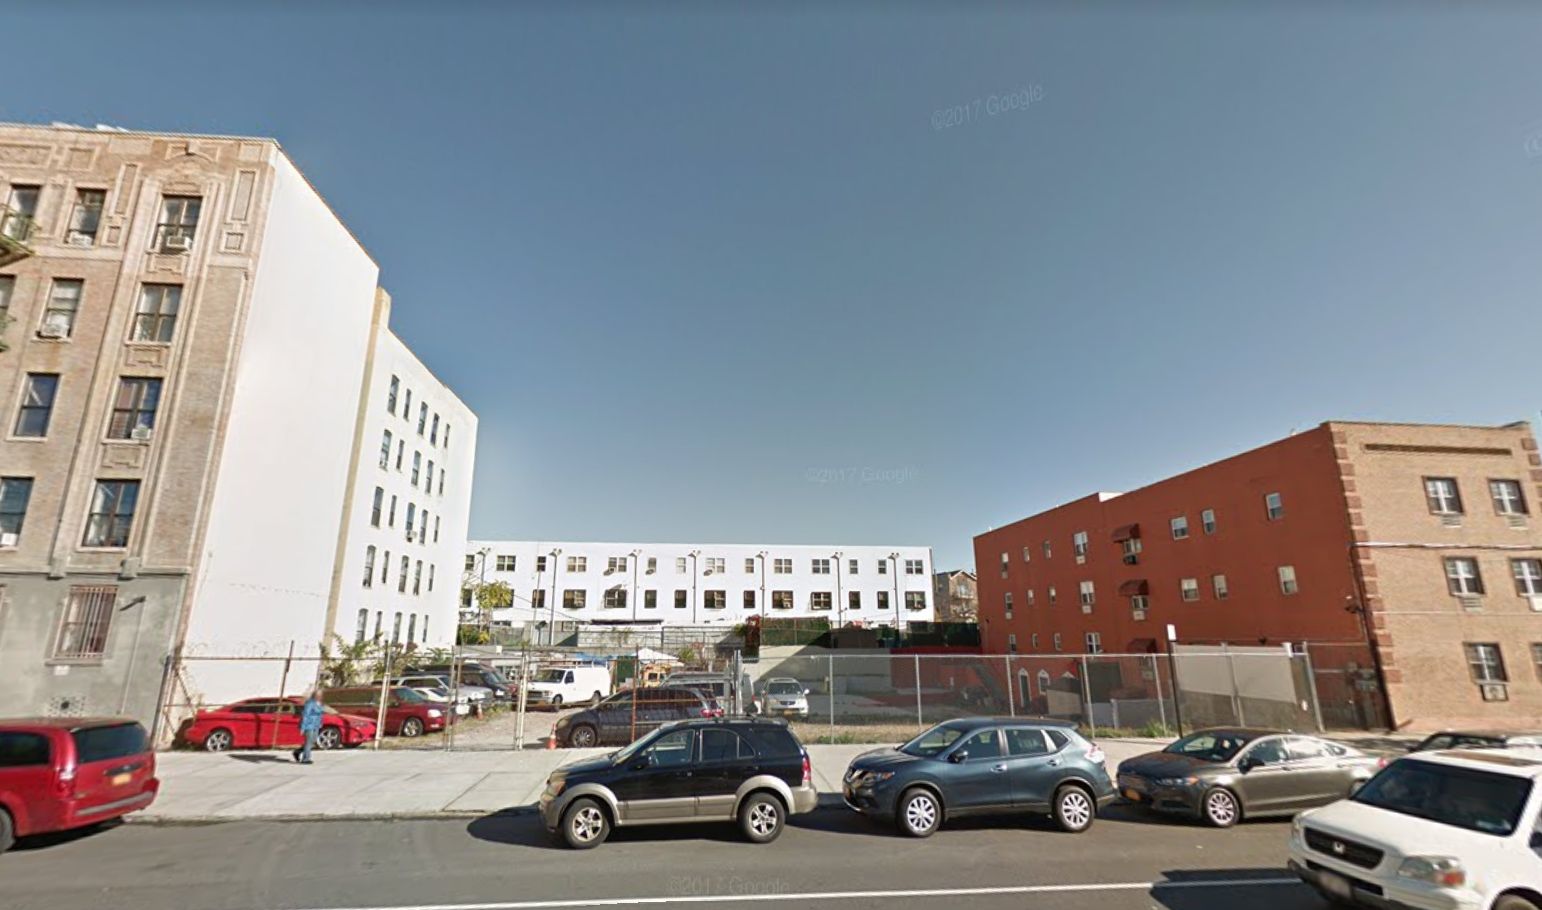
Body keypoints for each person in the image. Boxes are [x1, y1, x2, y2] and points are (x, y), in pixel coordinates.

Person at [293, 691, 325, 764]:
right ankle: (306, 759)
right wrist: (303, 727)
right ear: (314, 695)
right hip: (308, 725)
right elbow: (305, 715)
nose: (319, 697)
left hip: (316, 725)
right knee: (308, 741)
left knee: (313, 740)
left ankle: (297, 751)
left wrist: (320, 723)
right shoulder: (310, 703)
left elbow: (320, 715)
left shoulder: (320, 704)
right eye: (317, 695)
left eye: (320, 695)